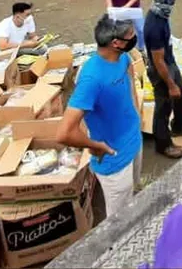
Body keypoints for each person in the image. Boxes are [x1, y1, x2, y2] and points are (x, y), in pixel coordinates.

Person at [56, 16, 141, 216]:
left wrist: (135, 112)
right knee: (119, 220)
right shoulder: (91, 79)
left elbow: (129, 81)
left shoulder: (123, 58)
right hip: (114, 158)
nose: (135, 37)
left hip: (134, 141)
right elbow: (63, 133)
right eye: (131, 36)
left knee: (133, 196)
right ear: (116, 43)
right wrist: (96, 145)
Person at [144, 0, 182, 159]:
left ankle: (179, 125)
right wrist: (170, 84)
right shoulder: (154, 26)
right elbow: (158, 60)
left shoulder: (161, 15)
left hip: (169, 61)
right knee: (163, 106)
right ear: (165, 0)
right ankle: (163, 144)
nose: (175, 1)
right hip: (161, 69)